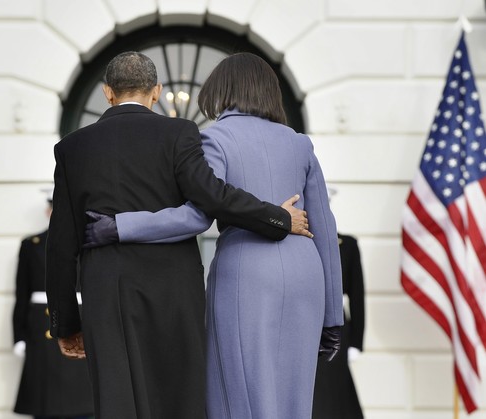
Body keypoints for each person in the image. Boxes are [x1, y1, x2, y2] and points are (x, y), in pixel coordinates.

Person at [45, 51, 312, 419]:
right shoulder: (179, 133)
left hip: (107, 292)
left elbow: (61, 244)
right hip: (173, 289)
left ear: (108, 92)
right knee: (180, 401)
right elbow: (213, 197)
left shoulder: (72, 147)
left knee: (118, 404)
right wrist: (277, 217)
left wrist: (65, 323)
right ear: (156, 91)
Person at [12, 192, 94, 419]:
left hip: (80, 321)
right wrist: (19, 336)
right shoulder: (32, 245)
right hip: (42, 325)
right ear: (48, 212)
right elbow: (22, 294)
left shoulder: (88, 243)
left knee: (82, 399)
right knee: (45, 400)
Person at [312, 189, 365, 419]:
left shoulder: (347, 245)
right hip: (306, 324)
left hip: (336, 326)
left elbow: (357, 295)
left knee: (336, 393)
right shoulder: (302, 243)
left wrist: (357, 342)